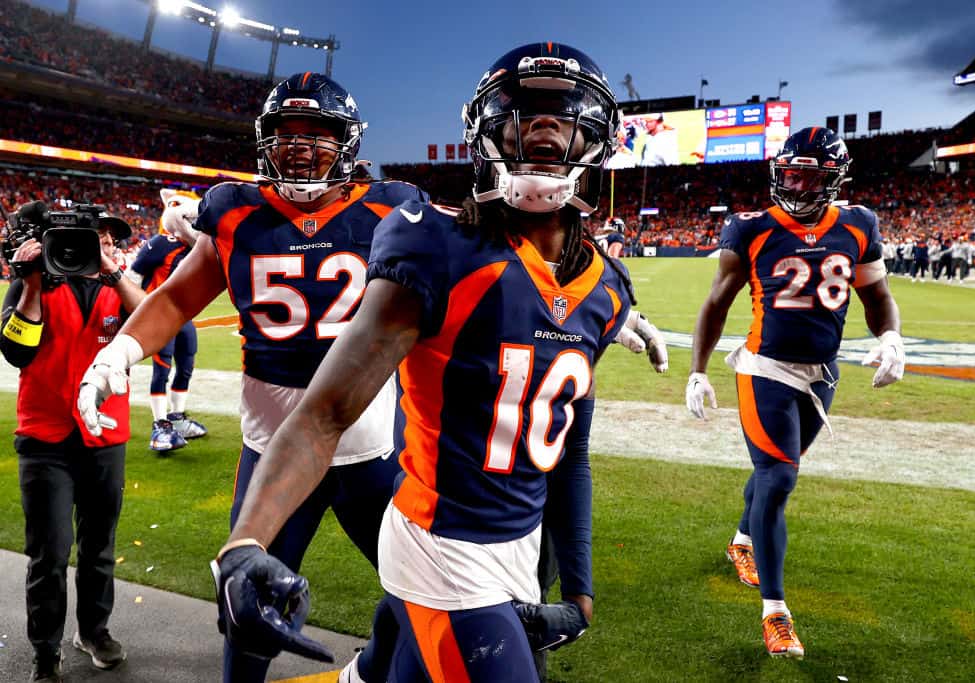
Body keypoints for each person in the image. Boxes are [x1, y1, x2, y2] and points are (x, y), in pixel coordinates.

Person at [210, 43, 635, 682]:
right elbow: (325, 412)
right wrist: (244, 544)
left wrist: (579, 595)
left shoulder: (607, 287)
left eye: (565, 114)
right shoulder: (438, 246)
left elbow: (570, 454)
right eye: (525, 112)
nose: (545, 127)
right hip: (444, 549)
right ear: (486, 128)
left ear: (599, 138)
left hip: (518, 551)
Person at [77, 72, 428, 683]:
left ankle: (369, 668)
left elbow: (484, 273)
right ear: (264, 141)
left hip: (373, 448)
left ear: (346, 144)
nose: (298, 147)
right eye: (286, 133)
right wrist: (120, 353)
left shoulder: (392, 209)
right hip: (273, 448)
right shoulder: (235, 213)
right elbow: (174, 299)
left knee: (427, 594)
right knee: (245, 613)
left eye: (316, 134)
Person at [685, 127, 904, 659]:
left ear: (834, 179)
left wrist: (891, 336)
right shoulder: (752, 228)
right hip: (765, 369)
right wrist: (698, 370)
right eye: (791, 173)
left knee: (775, 469)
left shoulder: (857, 223)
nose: (798, 184)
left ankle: (742, 540)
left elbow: (877, 294)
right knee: (778, 475)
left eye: (810, 174)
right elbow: (716, 304)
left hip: (822, 373)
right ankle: (776, 613)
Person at [0, 202, 145, 682]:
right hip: (45, 436)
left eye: (107, 240)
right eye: (91, 239)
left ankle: (93, 630)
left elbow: (156, 325)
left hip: (104, 433)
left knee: (99, 546)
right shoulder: (32, 282)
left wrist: (114, 274)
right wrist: (33, 286)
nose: (99, 247)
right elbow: (16, 351)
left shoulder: (117, 287)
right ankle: (46, 650)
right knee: (51, 550)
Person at [129, 189, 208, 452]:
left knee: (186, 366)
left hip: (185, 316)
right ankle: (159, 425)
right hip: (161, 315)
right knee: (161, 370)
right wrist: (137, 309)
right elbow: (133, 276)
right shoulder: (160, 243)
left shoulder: (198, 245)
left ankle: (177, 416)